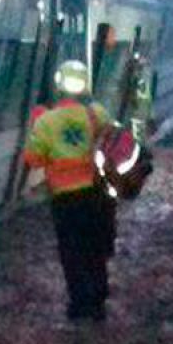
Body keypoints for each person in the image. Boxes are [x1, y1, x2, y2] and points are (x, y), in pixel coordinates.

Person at [24, 60, 116, 322]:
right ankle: (98, 302)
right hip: (95, 195)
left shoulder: (46, 121)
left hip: (65, 199)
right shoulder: (95, 114)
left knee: (71, 252)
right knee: (94, 248)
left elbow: (33, 160)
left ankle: (79, 306)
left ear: (58, 84)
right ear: (85, 84)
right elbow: (112, 139)